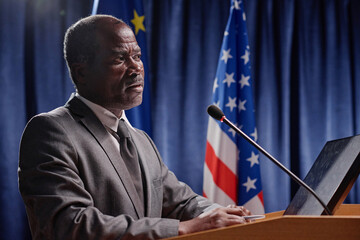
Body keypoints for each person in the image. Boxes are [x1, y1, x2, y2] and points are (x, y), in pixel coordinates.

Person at [18, 15, 251, 240]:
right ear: (82, 72)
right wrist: (182, 229)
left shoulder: (141, 140)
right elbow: (69, 224)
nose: (136, 68)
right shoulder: (51, 131)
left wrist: (225, 214)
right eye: (120, 59)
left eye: (137, 56)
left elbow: (182, 203)